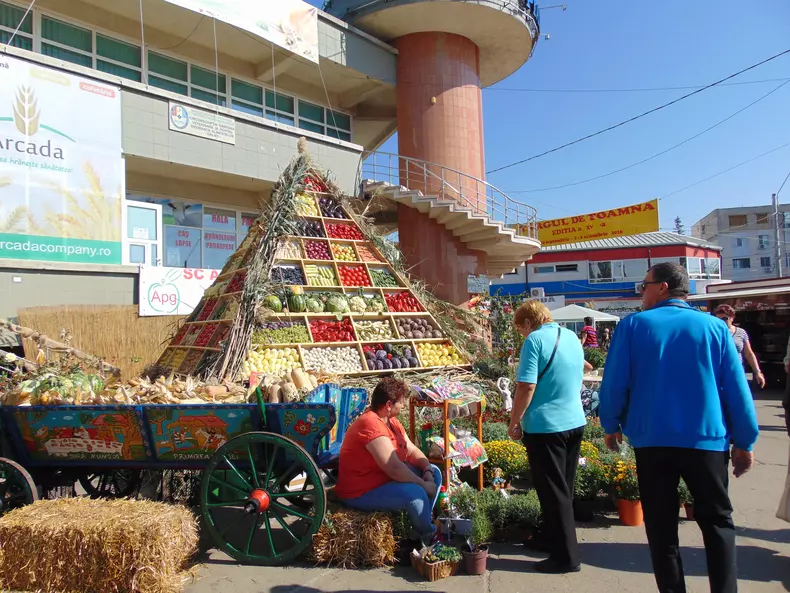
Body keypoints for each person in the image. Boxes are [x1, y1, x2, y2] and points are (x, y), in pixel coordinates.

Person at [599, 262, 759, 593]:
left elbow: (614, 383)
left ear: (662, 287)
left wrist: (611, 424)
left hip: (653, 440)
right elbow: (735, 388)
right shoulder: (715, 328)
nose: (641, 294)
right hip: (705, 439)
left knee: (661, 527)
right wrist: (745, 441)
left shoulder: (634, 326)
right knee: (717, 522)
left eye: (644, 286)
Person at [508, 300, 586, 574]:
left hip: (546, 426)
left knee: (553, 492)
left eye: (521, 328)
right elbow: (584, 367)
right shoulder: (571, 336)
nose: (522, 334)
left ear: (529, 322)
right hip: (574, 421)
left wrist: (514, 421)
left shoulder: (535, 340)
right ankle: (551, 538)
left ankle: (566, 557)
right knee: (564, 488)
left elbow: (526, 386)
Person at [335, 377, 442, 542]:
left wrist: (427, 469)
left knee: (435, 472)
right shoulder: (370, 424)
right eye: (401, 402)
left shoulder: (391, 421)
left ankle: (419, 524)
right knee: (416, 494)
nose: (403, 405)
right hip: (361, 491)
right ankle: (429, 533)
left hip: (383, 480)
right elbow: (394, 468)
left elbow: (412, 449)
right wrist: (423, 484)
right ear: (389, 405)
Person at [713, 304, 765, 389]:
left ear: (732, 317)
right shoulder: (713, 333)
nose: (721, 322)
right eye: (718, 319)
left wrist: (758, 372)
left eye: (724, 319)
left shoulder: (741, 332)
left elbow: (749, 353)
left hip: (737, 371)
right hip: (718, 373)